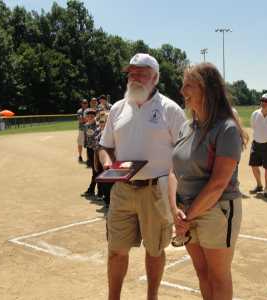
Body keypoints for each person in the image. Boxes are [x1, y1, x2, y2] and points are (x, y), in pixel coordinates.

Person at [98, 53, 186, 300]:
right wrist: (107, 164)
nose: (134, 77)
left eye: (141, 73)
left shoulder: (170, 110)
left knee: (155, 250)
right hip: (122, 190)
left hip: (156, 190)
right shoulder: (117, 108)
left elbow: (184, 155)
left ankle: (152, 297)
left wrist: (177, 198)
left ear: (155, 78)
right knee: (116, 250)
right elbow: (105, 146)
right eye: (131, 72)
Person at [169, 62, 248, 300]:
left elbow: (218, 184)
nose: (182, 91)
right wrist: (176, 211)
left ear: (206, 89)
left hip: (217, 211)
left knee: (218, 276)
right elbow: (174, 172)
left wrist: (188, 216)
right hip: (186, 211)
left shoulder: (226, 129)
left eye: (188, 85)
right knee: (202, 273)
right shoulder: (186, 127)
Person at [81, 109, 100, 198]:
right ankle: (94, 190)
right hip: (89, 150)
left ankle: (94, 190)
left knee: (97, 170)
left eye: (92, 116)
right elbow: (85, 138)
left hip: (96, 150)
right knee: (94, 170)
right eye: (88, 116)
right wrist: (88, 156)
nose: (90, 118)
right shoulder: (85, 126)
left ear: (95, 117)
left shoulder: (97, 126)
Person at [77, 99, 89, 163]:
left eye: (86, 103)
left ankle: (88, 159)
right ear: (81, 104)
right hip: (81, 130)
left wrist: (86, 119)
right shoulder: (79, 111)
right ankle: (80, 156)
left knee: (88, 144)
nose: (85, 104)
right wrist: (88, 119)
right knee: (80, 143)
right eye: (83, 103)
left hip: (88, 130)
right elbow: (81, 120)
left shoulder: (89, 110)